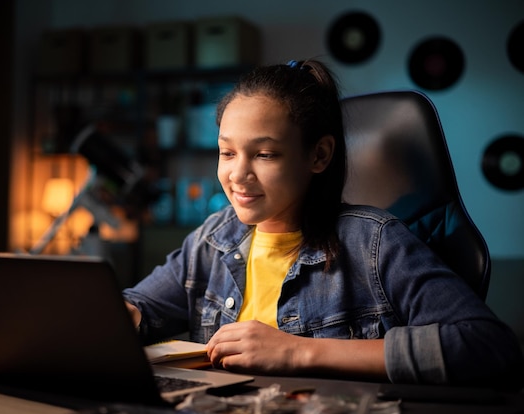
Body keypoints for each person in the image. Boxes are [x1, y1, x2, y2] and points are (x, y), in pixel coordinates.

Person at [123, 59, 523, 387]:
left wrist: (297, 351)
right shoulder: (212, 240)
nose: (237, 175)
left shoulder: (375, 243)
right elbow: (140, 307)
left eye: (264, 155)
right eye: (227, 153)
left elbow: (489, 346)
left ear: (319, 156)